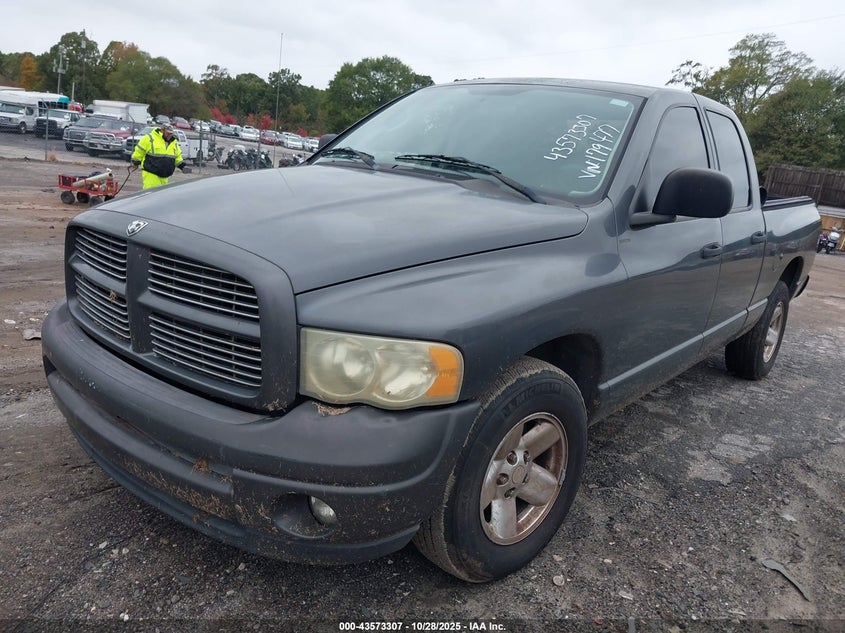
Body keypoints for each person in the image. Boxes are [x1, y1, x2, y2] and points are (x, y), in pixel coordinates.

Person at [130, 123, 187, 189]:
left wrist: (182, 166)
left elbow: (177, 156)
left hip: (165, 176)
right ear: (162, 131)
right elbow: (139, 151)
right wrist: (136, 162)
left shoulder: (173, 142)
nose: (170, 135)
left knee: (160, 194)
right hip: (151, 174)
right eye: (168, 133)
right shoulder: (149, 138)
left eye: (171, 133)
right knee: (151, 193)